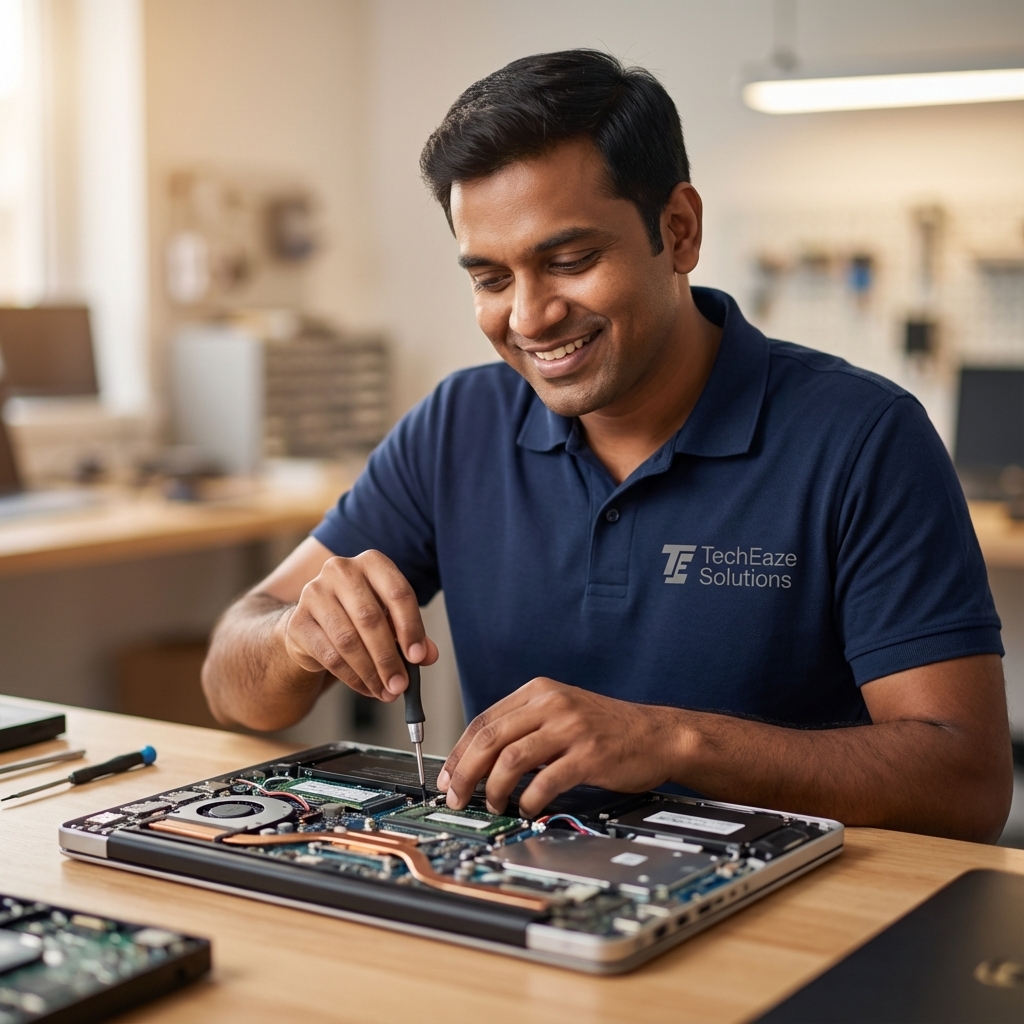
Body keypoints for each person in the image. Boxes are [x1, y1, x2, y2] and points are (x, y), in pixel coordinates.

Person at [203, 50, 1012, 842]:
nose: (528, 316)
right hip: (523, 913)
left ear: (680, 231)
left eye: (570, 260)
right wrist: (293, 638)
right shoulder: (458, 424)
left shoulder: (864, 438)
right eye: (490, 278)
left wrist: (669, 742)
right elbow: (233, 686)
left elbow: (969, 785)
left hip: (786, 929)